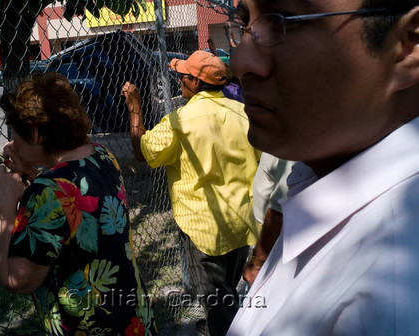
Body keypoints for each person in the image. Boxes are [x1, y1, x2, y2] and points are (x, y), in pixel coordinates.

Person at [226, 0, 419, 335]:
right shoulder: (321, 170)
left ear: (407, 49)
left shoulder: (390, 302)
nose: (240, 61)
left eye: (286, 21)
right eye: (244, 24)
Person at [0, 73, 157, 335]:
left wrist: (6, 210)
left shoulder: (46, 193)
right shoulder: (102, 156)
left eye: (15, 133)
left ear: (35, 133)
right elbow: (71, 209)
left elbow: (16, 280)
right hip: (133, 319)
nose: (11, 142)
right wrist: (33, 173)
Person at [122, 50, 261, 336]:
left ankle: (225, 327)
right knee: (226, 290)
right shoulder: (243, 114)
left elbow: (142, 152)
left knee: (217, 303)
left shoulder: (180, 121)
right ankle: (220, 323)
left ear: (196, 83)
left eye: (182, 76)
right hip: (241, 223)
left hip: (202, 229)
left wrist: (135, 108)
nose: (179, 81)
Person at [242, 153, 294, 286]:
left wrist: (258, 263)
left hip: (278, 240)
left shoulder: (299, 139)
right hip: (273, 235)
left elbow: (281, 208)